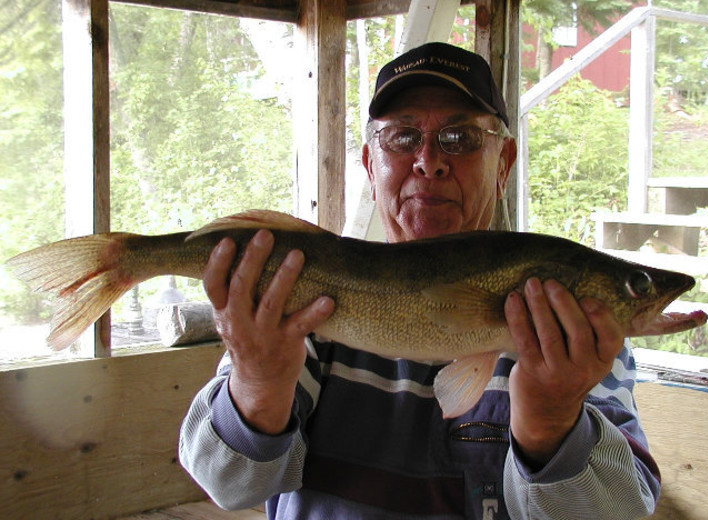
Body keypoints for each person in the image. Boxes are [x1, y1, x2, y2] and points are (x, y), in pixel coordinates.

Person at [179, 42, 660, 519]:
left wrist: (553, 423)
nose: (429, 161)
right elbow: (226, 484)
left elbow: (620, 511)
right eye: (403, 138)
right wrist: (257, 384)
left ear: (504, 163)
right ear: (371, 164)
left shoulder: (579, 340)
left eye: (461, 138)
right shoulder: (297, 309)